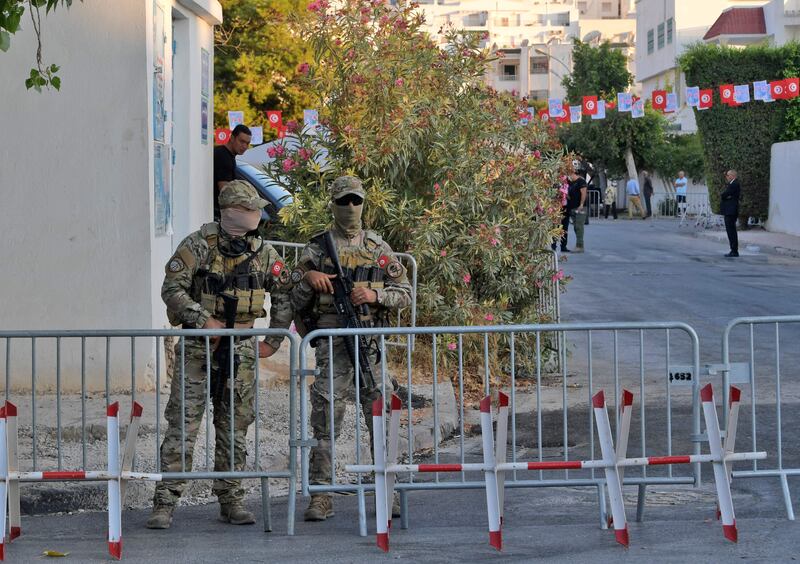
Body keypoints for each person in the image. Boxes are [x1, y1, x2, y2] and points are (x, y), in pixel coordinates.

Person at [147, 179, 293, 529]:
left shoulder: (264, 253)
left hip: (241, 351)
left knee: (234, 427)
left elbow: (286, 293)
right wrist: (203, 319)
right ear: (232, 212)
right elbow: (172, 288)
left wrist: (273, 341)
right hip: (199, 348)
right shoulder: (198, 245)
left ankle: (231, 500)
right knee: (183, 425)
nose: (256, 215)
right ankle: (165, 503)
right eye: (250, 209)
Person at [291, 176, 412, 522]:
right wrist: (308, 279)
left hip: (369, 344)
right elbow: (293, 299)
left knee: (382, 415)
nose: (350, 208)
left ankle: (387, 489)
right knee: (326, 417)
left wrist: (375, 295)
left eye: (356, 201)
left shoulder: (378, 248)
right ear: (333, 204)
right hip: (331, 342)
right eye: (344, 201)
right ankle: (321, 494)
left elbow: (405, 293)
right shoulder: (316, 249)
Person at [213, 124, 252, 220]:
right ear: (232, 138)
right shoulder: (224, 157)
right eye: (242, 141)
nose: (244, 146)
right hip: (217, 214)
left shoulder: (226, 154)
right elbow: (225, 192)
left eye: (247, 143)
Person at [566, 169, 588, 253]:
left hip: (580, 208)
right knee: (576, 227)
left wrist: (581, 204)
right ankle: (578, 245)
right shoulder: (570, 182)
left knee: (579, 226)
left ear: (573, 173)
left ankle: (580, 246)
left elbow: (584, 193)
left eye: (569, 174)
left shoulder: (581, 181)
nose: (569, 177)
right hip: (572, 207)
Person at [721, 169, 741, 257]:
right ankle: (733, 249)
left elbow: (725, 194)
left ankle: (734, 250)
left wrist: (725, 196)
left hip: (731, 211)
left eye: (728, 175)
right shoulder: (731, 184)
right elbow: (726, 195)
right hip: (729, 210)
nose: (727, 177)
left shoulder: (734, 184)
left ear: (733, 176)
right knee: (730, 231)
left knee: (731, 231)